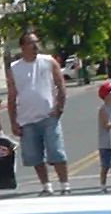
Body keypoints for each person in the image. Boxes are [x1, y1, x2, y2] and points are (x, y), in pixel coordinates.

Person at [7, 31, 69, 195]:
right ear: (22, 47)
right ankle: (46, 186)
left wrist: (59, 106)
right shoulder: (15, 68)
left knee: (56, 151)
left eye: (36, 42)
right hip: (26, 119)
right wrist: (13, 121)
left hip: (48, 115)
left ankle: (65, 185)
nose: (35, 46)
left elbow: (60, 84)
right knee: (35, 156)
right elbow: (12, 95)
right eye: (30, 43)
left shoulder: (48, 61)